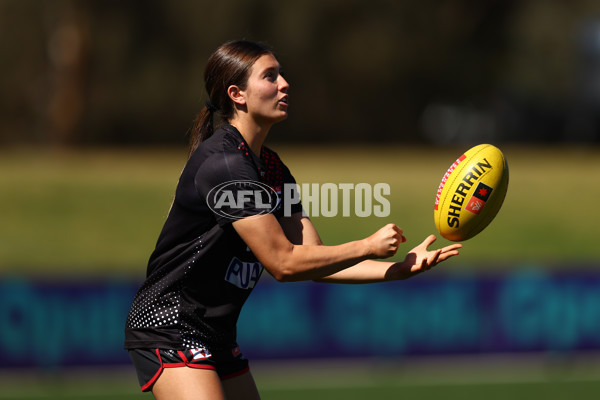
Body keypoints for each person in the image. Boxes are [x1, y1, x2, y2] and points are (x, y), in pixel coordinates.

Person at [124, 40, 462, 400]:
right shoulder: (224, 165)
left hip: (216, 332)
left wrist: (397, 269)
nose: (284, 84)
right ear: (237, 94)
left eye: (281, 74)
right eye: (270, 76)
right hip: (169, 325)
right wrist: (367, 246)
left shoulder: (271, 167)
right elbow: (283, 263)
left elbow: (312, 259)